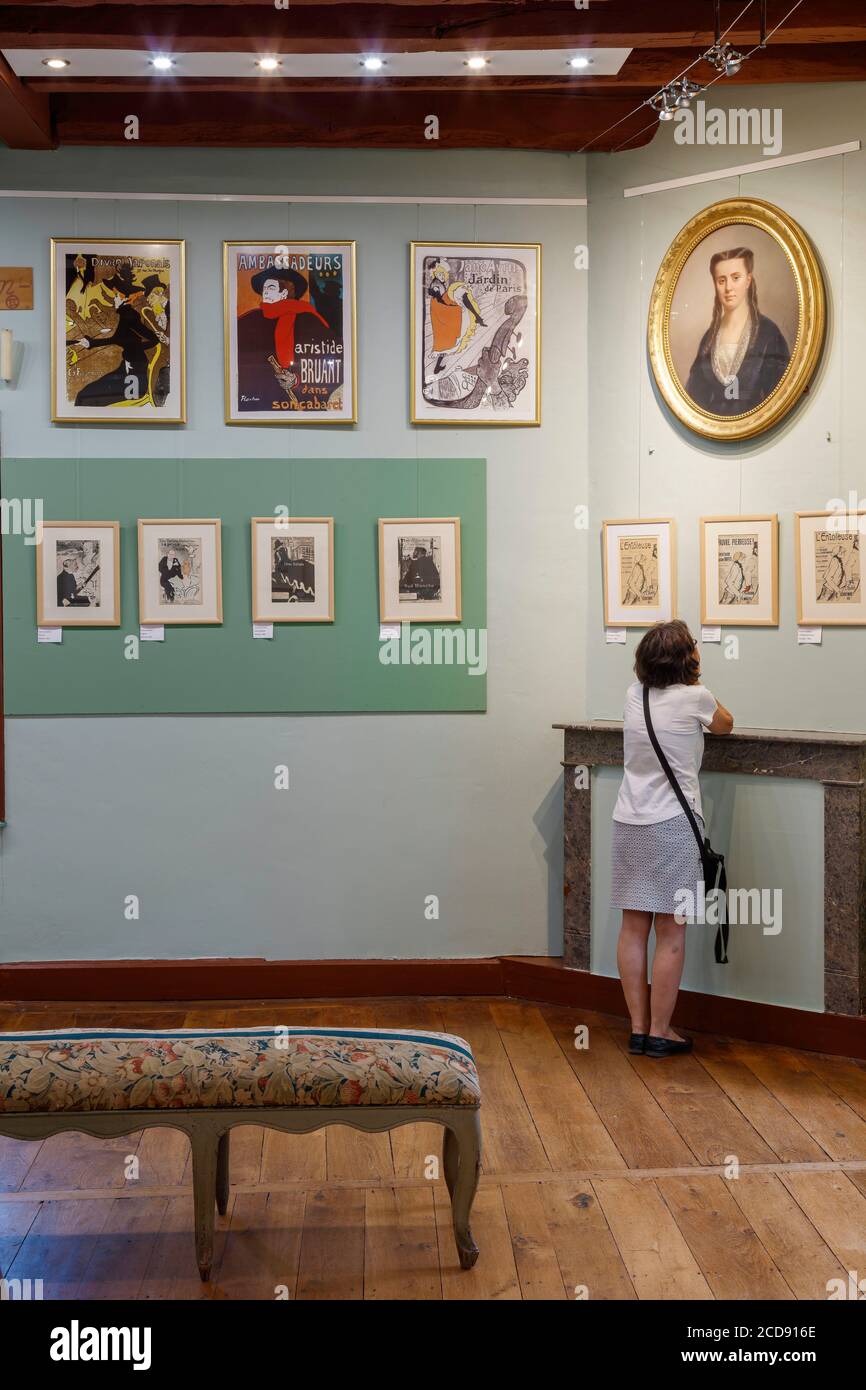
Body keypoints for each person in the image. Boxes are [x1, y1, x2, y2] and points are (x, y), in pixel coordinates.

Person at [611, 620, 734, 1058]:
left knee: (632, 928)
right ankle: (662, 1031)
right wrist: (699, 677)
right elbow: (725, 724)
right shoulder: (695, 697)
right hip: (673, 826)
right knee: (671, 931)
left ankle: (638, 1029)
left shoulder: (633, 693)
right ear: (687, 658)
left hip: (628, 820)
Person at [685, 247, 790, 415]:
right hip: (714, 432)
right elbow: (695, 397)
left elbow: (782, 396)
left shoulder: (769, 333)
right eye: (721, 280)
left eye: (735, 278)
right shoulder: (709, 339)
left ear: (748, 280)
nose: (728, 288)